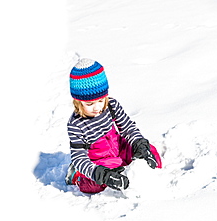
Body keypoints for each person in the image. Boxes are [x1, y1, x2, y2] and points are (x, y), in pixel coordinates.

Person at [65, 58, 161, 194]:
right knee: (94, 186)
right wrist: (102, 174)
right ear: (78, 102)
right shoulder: (76, 124)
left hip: (120, 150)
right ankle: (76, 176)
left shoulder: (111, 105)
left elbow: (128, 128)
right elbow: (79, 156)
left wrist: (139, 144)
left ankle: (127, 165)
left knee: (151, 154)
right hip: (100, 162)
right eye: (89, 104)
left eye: (100, 100)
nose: (97, 108)